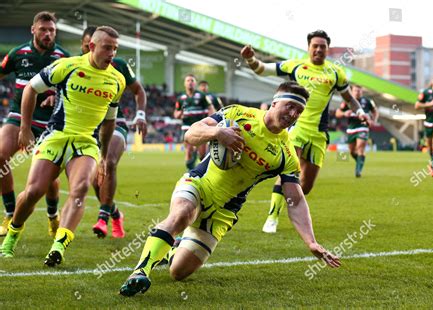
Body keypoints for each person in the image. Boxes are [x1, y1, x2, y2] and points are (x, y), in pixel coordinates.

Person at [119, 81, 340, 297]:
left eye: (299, 111)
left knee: (178, 272)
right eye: (290, 106)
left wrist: (311, 241)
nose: (293, 114)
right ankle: (140, 272)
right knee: (183, 214)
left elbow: (296, 199)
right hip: (199, 184)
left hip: (225, 211)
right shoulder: (238, 114)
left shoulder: (287, 154)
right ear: (274, 103)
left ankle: (173, 248)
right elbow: (191, 133)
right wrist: (216, 133)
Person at [0, 26, 126, 266]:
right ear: (92, 47)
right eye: (107, 48)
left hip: (86, 143)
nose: (112, 53)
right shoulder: (67, 65)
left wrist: (102, 154)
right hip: (56, 137)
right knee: (34, 192)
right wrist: (25, 129)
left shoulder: (117, 80)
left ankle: (58, 246)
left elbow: (109, 121)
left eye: (115, 49)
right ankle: (13, 234)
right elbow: (30, 89)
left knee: (79, 189)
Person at [240, 30, 368, 233]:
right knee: (289, 171)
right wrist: (250, 59)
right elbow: (263, 69)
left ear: (327, 49)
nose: (318, 49)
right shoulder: (295, 65)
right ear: (308, 47)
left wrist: (360, 112)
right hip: (296, 128)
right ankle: (272, 218)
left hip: (319, 134)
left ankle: (293, 211)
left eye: (322, 46)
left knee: (305, 186)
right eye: (315, 46)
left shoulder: (336, 73)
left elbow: (349, 98)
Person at [0, 11, 69, 237]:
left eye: (52, 31)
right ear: (33, 30)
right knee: (0, 158)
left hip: (49, 122)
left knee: (49, 179)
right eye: (43, 29)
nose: (48, 34)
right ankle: (11, 213)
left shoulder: (63, 57)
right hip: (18, 116)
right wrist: (24, 129)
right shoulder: (18, 54)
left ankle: (52, 216)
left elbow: (71, 91)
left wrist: (55, 96)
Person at [80, 26, 147, 239]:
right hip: (91, 127)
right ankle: (116, 214)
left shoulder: (117, 66)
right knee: (94, 179)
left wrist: (141, 115)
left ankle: (102, 219)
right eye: (85, 45)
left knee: (108, 162)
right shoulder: (76, 67)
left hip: (116, 122)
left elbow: (139, 90)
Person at [335, 85, 378, 177]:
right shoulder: (347, 102)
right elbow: (337, 113)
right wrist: (344, 113)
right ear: (352, 91)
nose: (357, 92)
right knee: (351, 152)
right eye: (355, 90)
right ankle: (360, 161)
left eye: (359, 90)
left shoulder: (367, 101)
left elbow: (375, 111)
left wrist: (373, 120)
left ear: (362, 91)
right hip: (351, 128)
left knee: (360, 148)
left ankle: (358, 171)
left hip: (363, 127)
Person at [174, 74, 215, 171]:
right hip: (186, 127)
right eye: (188, 80)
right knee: (188, 150)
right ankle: (190, 173)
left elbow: (211, 108)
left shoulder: (202, 96)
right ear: (185, 83)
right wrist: (179, 114)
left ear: (195, 83)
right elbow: (176, 113)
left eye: (192, 80)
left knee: (202, 154)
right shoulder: (181, 98)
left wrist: (210, 121)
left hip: (200, 126)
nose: (190, 82)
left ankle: (202, 169)